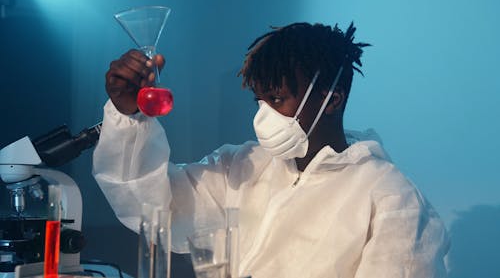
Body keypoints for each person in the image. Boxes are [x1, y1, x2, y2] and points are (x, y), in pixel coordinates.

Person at [93, 22, 450, 277]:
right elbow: (152, 207)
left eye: (278, 99)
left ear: (332, 100)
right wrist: (129, 116)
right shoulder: (242, 166)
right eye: (260, 100)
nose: (263, 116)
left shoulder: (391, 199)